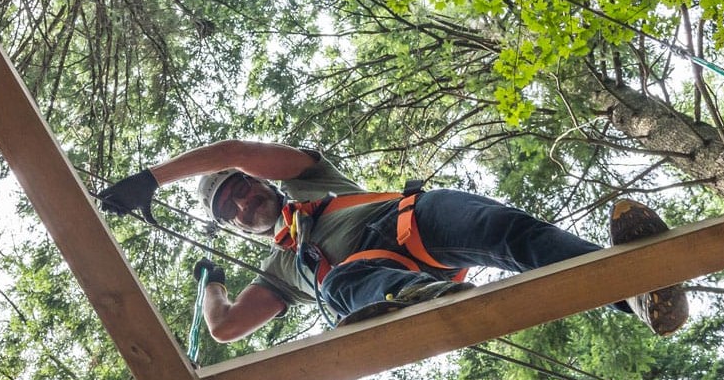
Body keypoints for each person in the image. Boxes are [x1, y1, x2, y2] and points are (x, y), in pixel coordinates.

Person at [96, 139, 688, 341]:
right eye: (233, 209)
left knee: (510, 234)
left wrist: (152, 179)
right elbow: (224, 327)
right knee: (347, 284)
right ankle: (414, 302)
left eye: (245, 189)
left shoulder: (311, 180)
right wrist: (214, 284)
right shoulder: (282, 271)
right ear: (235, 228)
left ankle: (636, 291)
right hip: (379, 280)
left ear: (260, 181)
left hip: (415, 222)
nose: (246, 201)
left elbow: (229, 151)